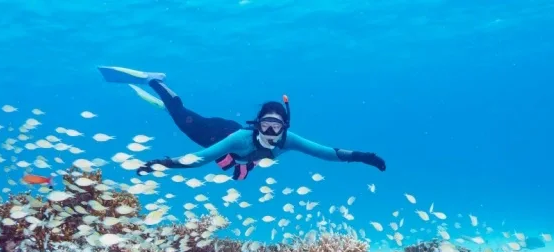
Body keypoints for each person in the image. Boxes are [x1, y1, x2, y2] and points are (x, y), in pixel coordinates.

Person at [97, 66, 386, 180]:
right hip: (215, 135)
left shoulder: (289, 140)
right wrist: (159, 162)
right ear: (257, 125)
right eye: (266, 125)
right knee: (182, 117)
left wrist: (363, 157)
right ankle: (154, 82)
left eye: (277, 126)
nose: (272, 132)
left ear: (285, 128)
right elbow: (198, 160)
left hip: (242, 158)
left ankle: (166, 105)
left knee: (238, 176)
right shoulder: (241, 139)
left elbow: (327, 153)